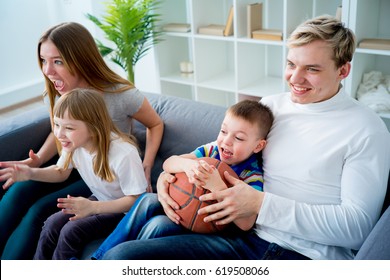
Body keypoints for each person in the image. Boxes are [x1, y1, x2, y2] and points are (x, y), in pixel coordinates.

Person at [101, 15, 390, 260]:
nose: (295, 78)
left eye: (312, 69)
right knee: (148, 226)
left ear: (343, 70)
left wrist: (259, 204)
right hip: (241, 231)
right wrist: (169, 177)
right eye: (291, 64)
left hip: (297, 253)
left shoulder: (366, 128)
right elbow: (218, 150)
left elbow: (358, 229)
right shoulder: (272, 107)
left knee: (122, 259)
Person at [0, 22, 163, 260]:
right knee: (18, 191)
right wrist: (35, 163)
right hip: (82, 164)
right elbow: (60, 138)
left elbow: (155, 124)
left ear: (81, 58)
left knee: (40, 212)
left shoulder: (118, 96)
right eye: (43, 61)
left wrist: (147, 163)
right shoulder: (58, 95)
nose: (48, 71)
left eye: (57, 61)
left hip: (108, 174)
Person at [90, 100, 274, 260]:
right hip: (185, 212)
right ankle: (100, 259)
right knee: (148, 203)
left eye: (239, 138)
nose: (226, 141)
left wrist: (217, 186)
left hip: (215, 230)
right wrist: (187, 166)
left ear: (258, 146)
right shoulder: (211, 151)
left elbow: (246, 224)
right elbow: (169, 163)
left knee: (158, 225)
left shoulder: (252, 175)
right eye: (223, 131)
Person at [0, 89, 148, 259]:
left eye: (69, 127)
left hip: (125, 213)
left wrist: (93, 208)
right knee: (51, 224)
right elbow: (61, 171)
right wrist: (30, 173)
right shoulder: (74, 143)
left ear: (93, 128)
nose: (59, 134)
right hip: (101, 199)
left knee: (71, 231)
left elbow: (137, 200)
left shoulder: (123, 153)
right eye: (56, 125)